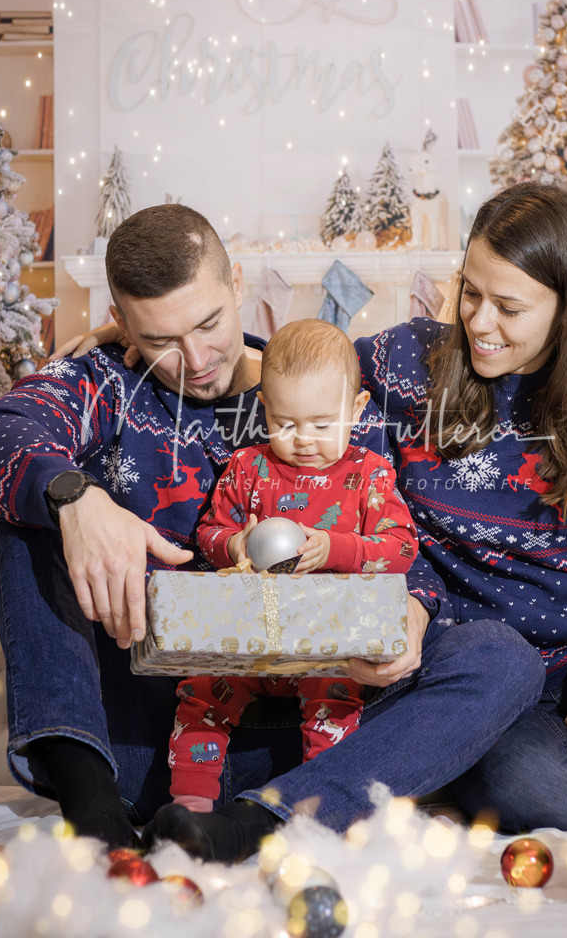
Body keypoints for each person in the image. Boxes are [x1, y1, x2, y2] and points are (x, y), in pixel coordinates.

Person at [0, 202, 546, 857]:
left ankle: (258, 823)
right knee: (34, 501)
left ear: (237, 283)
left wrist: (407, 616)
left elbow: (401, 549)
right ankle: (93, 812)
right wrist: (78, 499)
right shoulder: (106, 380)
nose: (195, 357)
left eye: (209, 323)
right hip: (155, 726)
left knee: (504, 660)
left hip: (318, 722)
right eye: (161, 339)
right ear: (120, 322)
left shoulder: (321, 390)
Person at [351, 180, 567, 832]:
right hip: (496, 671)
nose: (479, 322)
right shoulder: (411, 361)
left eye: (508, 307)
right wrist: (143, 342)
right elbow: (294, 365)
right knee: (535, 793)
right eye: (470, 293)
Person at [168, 319, 419, 815]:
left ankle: (318, 808)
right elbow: (207, 534)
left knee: (335, 706)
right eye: (285, 424)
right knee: (200, 691)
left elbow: (401, 549)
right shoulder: (247, 468)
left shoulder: (369, 474)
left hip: (327, 643)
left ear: (357, 410)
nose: (303, 440)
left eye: (323, 425)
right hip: (249, 636)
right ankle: (190, 804)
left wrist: (336, 548)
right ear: (264, 409)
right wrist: (235, 544)